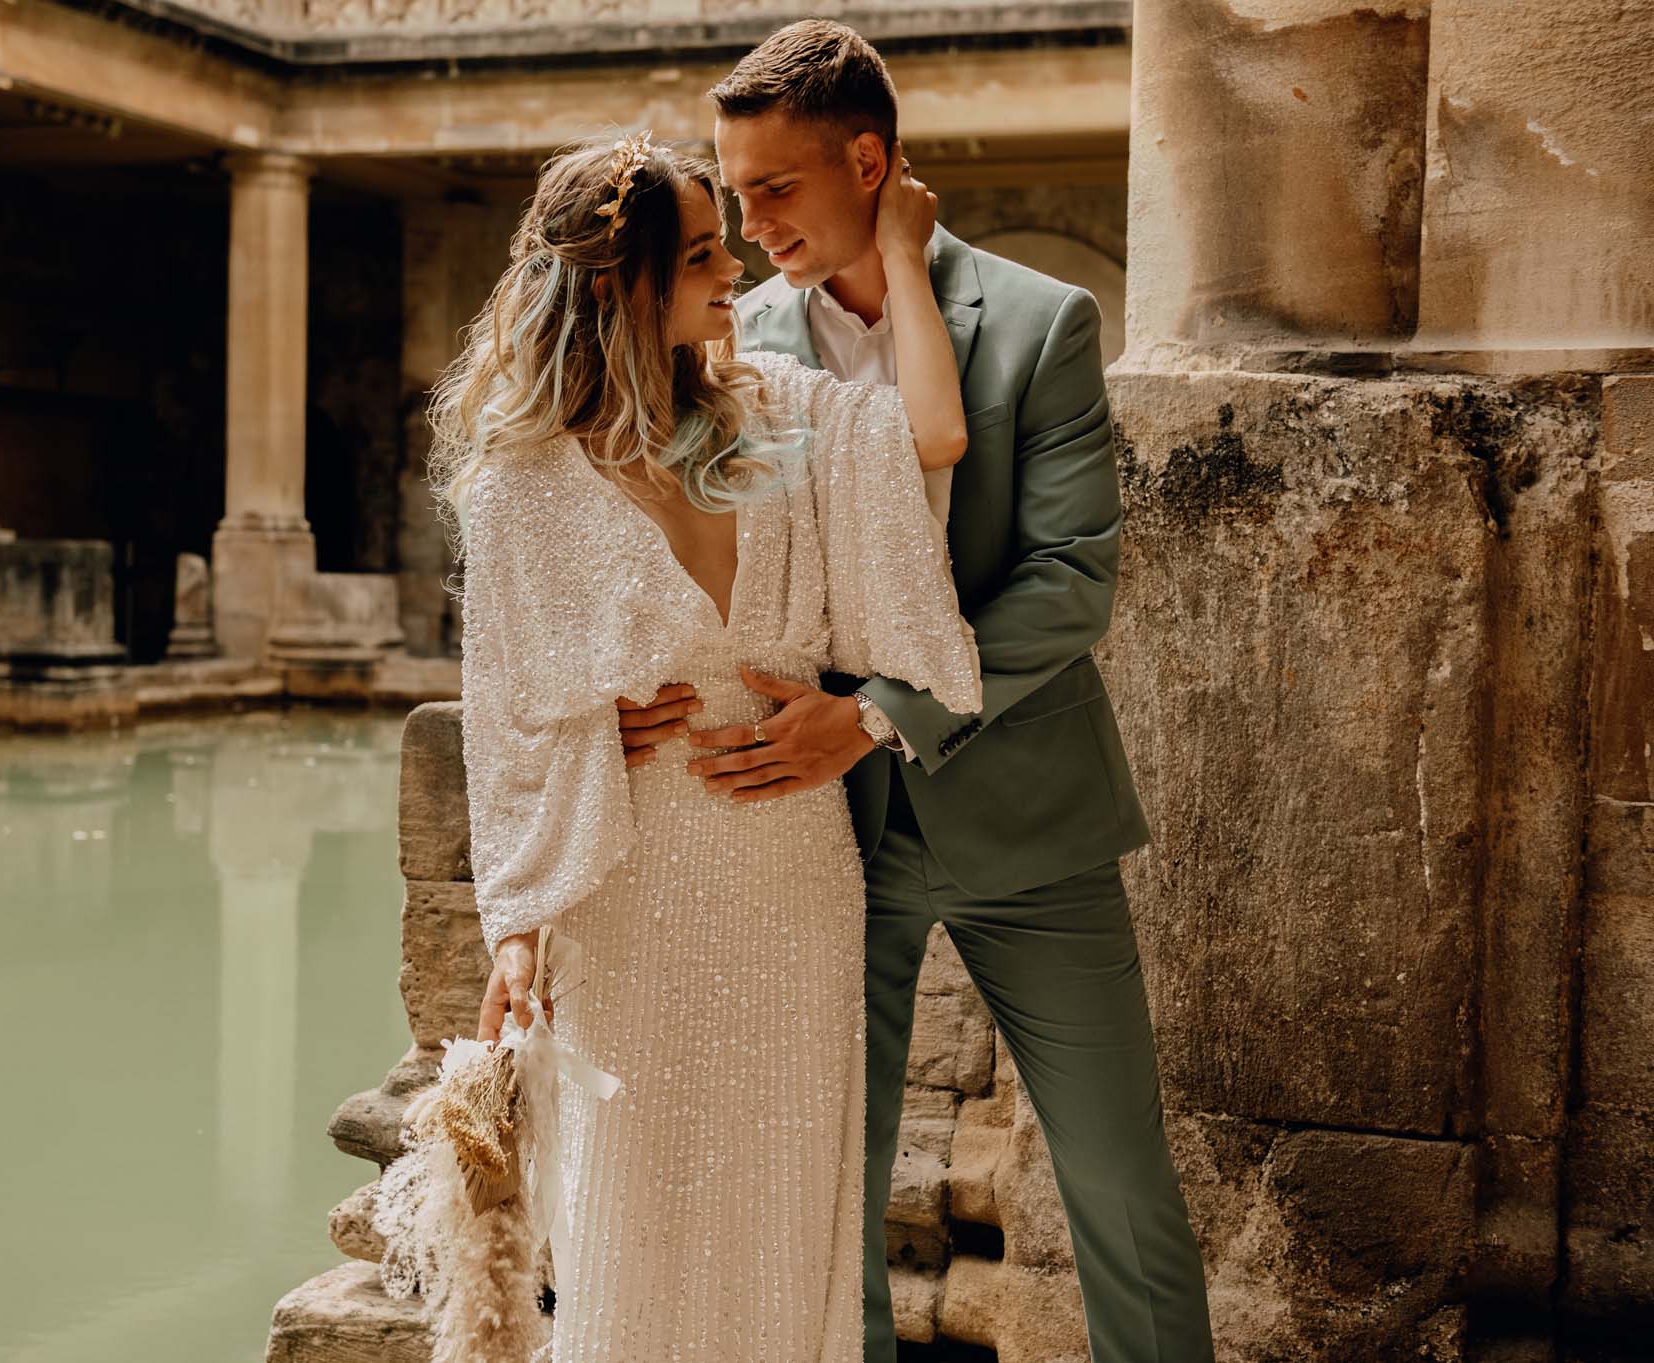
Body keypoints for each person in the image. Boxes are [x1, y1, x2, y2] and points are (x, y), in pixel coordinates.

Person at [613, 21, 1218, 1363]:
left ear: (868, 162)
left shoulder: (1043, 321)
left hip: (1032, 825)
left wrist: (875, 712)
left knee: (1121, 1189)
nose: (751, 224)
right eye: (734, 194)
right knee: (826, 1199)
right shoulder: (732, 342)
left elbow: (1067, 581)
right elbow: (655, 531)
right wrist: (606, 692)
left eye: (775, 187)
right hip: (813, 832)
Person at [455, 129, 978, 1361]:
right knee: (630, 1215)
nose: (733, 265)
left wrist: (903, 257)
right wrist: (517, 929)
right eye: (698, 253)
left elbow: (934, 434)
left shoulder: (775, 412)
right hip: (628, 887)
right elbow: (505, 718)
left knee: (784, 1210)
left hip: (791, 872)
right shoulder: (520, 485)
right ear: (616, 283)